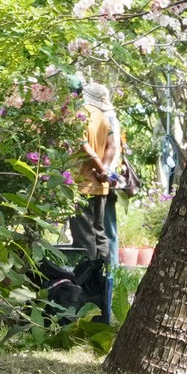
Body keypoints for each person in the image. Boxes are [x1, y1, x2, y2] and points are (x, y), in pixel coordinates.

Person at [73, 80, 125, 327]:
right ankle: (107, 285)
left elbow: (83, 147)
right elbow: (112, 146)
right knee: (101, 236)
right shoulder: (106, 118)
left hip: (82, 185)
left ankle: (88, 297)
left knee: (85, 242)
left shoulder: (81, 115)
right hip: (101, 186)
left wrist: (99, 168)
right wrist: (105, 173)